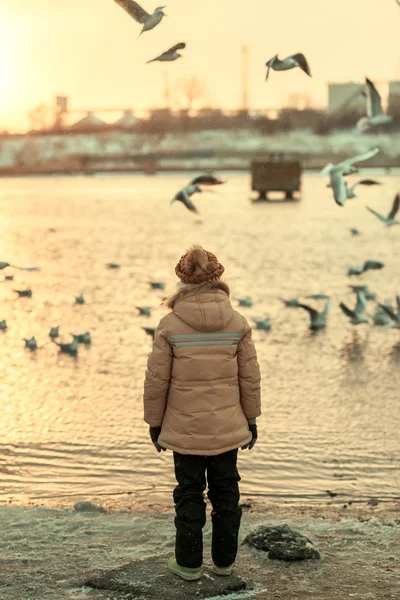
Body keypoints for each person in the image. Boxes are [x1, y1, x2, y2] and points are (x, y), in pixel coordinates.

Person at [143, 245, 261, 581]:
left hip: (185, 430)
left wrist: (155, 423)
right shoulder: (237, 322)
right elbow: (249, 378)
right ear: (218, 279)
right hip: (228, 428)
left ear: (182, 283)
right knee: (226, 492)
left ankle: (189, 564)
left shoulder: (169, 325)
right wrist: (251, 419)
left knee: (189, 492)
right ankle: (224, 562)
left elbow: (156, 381)